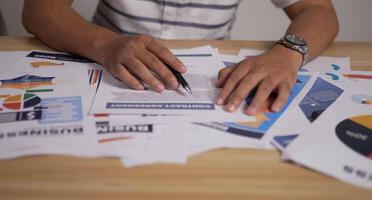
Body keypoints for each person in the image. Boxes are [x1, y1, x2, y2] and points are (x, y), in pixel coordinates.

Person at [22, 0, 339, 115]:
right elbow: (39, 9)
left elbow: (319, 10)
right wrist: (105, 44)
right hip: (105, 68)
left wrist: (288, 52)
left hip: (210, 83)